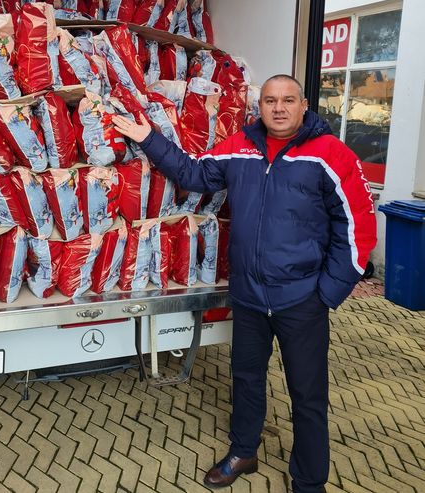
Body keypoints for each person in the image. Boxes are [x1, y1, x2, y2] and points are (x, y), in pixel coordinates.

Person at [113, 74, 377, 493]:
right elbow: (194, 174)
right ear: (261, 106)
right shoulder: (240, 147)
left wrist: (328, 292)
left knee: (308, 395)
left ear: (304, 105)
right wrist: (149, 139)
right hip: (250, 296)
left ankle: (309, 481)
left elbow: (358, 226)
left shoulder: (330, 154)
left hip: (302, 299)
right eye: (270, 100)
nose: (279, 108)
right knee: (246, 377)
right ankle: (244, 451)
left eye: (287, 100)